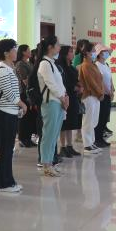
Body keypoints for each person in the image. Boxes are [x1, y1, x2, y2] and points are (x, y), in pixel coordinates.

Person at [0, 39, 26, 193]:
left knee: (8, 149)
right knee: (5, 150)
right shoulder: (3, 70)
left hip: (10, 112)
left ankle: (8, 180)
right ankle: (3, 183)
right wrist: (22, 104)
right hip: (4, 114)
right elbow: (10, 94)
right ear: (6, 53)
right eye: (14, 49)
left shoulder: (8, 68)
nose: (16, 52)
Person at [36, 35, 69, 177]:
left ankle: (50, 163)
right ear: (50, 47)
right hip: (51, 103)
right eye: (58, 45)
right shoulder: (44, 64)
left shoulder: (52, 63)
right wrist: (62, 98)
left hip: (58, 102)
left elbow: (59, 84)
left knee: (54, 134)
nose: (59, 47)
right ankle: (46, 164)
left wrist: (65, 97)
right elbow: (51, 84)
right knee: (48, 135)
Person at [78, 46, 104, 155]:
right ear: (87, 53)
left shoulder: (93, 65)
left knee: (93, 121)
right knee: (87, 121)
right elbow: (91, 81)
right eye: (93, 51)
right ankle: (87, 145)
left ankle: (91, 142)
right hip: (89, 96)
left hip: (96, 96)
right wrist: (100, 92)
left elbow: (100, 79)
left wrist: (101, 92)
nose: (94, 53)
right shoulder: (85, 66)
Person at [57, 46, 81, 158]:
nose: (72, 54)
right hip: (64, 96)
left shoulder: (71, 67)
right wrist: (73, 87)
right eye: (70, 52)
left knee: (71, 122)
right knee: (64, 123)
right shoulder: (60, 67)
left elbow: (76, 80)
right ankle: (62, 147)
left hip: (73, 97)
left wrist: (79, 86)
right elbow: (62, 83)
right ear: (65, 54)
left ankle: (70, 145)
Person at [15, 44, 36, 148]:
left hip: (30, 93)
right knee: (24, 117)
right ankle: (22, 139)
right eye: (28, 50)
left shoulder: (29, 63)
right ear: (23, 52)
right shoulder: (20, 64)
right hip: (23, 93)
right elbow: (25, 80)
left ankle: (28, 138)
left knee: (29, 117)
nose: (30, 52)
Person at [94, 44, 113, 148]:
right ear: (100, 54)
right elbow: (100, 80)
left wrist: (112, 89)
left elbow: (109, 78)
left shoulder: (106, 65)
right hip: (102, 95)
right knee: (100, 118)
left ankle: (101, 138)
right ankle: (97, 139)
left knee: (105, 117)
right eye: (104, 52)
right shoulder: (97, 65)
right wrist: (108, 91)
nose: (107, 53)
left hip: (108, 94)